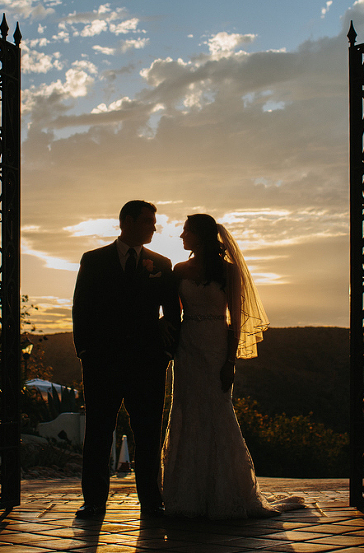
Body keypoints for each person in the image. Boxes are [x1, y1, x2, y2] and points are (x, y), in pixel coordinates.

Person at [161, 213, 303, 519]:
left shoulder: (227, 271)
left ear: (200, 234)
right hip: (187, 348)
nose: (182, 236)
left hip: (215, 347)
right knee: (186, 410)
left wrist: (230, 361)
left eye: (186, 231)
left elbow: (235, 321)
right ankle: (186, 493)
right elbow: (172, 310)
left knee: (217, 410)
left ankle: (225, 491)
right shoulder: (180, 269)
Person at [71, 200, 180, 520]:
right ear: (128, 221)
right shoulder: (93, 260)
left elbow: (173, 313)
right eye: (148, 221)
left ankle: (152, 501)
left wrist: (166, 354)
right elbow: (81, 308)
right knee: (98, 432)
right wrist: (85, 353)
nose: (154, 227)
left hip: (148, 364)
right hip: (102, 363)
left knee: (148, 435)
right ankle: (93, 501)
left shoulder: (162, 262)